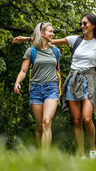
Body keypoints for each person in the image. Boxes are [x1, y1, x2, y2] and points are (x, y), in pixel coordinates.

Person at [13, 13, 96, 158]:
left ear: (93, 25)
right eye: (81, 23)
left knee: (87, 118)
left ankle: (92, 150)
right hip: (73, 80)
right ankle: (81, 155)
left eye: (85, 23)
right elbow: (50, 41)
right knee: (76, 120)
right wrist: (27, 39)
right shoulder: (75, 40)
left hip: (89, 80)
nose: (82, 26)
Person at [14, 22, 61, 151]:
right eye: (50, 31)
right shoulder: (31, 51)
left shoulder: (56, 51)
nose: (52, 34)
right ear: (41, 33)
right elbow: (23, 71)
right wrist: (17, 82)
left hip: (51, 89)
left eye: (53, 32)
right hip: (36, 90)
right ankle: (40, 155)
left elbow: (58, 71)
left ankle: (46, 157)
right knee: (40, 126)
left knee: (47, 122)